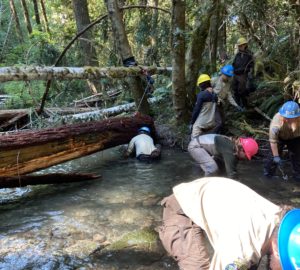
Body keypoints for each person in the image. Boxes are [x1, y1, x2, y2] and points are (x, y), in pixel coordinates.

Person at [158, 176, 298, 270]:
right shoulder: (242, 251)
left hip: (207, 193)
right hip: (181, 208)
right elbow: (241, 254)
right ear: (276, 246)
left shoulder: (280, 219)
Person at [188, 134, 258, 179]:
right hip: (196, 146)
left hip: (204, 147)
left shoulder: (234, 147)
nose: (245, 159)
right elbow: (232, 175)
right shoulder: (230, 151)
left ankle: (202, 176)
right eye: (246, 156)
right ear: (242, 149)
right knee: (212, 168)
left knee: (222, 169)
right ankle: (204, 186)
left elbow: (232, 169)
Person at [264, 101, 300, 181]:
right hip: (280, 137)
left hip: (296, 137)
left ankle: (297, 176)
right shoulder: (276, 124)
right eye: (286, 118)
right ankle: (268, 176)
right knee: (272, 158)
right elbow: (273, 141)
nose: (288, 120)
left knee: (297, 157)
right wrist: (276, 156)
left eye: (291, 118)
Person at [211, 64, 244, 132]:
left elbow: (229, 95)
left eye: (229, 76)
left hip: (221, 104)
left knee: (223, 121)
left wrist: (236, 105)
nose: (228, 78)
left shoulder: (228, 83)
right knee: (218, 123)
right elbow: (206, 90)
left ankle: (220, 133)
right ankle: (211, 136)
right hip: (213, 103)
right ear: (223, 73)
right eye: (227, 76)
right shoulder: (214, 80)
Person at [232, 37, 255, 109]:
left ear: (245, 45)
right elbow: (234, 63)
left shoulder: (249, 54)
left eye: (242, 45)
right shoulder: (238, 54)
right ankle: (237, 104)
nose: (240, 47)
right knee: (235, 89)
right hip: (235, 74)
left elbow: (252, 64)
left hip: (243, 74)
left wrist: (247, 71)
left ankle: (244, 105)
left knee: (242, 90)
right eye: (239, 46)